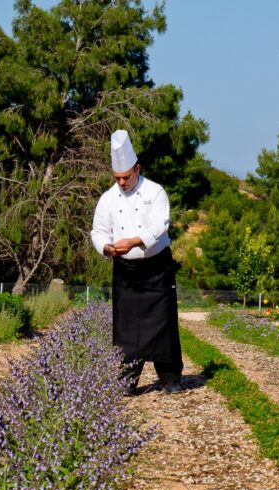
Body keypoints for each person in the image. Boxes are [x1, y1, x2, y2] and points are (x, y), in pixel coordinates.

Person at [90, 129, 183, 395]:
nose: (122, 182)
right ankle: (127, 381)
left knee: (164, 322)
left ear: (137, 169)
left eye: (126, 177)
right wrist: (106, 248)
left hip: (157, 268)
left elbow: (159, 226)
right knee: (126, 326)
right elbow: (98, 231)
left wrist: (133, 241)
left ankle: (170, 379)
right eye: (117, 177)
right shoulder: (107, 199)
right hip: (126, 271)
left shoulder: (155, 192)